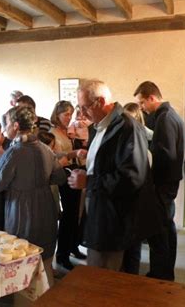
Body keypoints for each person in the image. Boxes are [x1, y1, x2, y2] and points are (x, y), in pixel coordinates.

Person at [68, 79, 164, 271]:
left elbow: (132, 177)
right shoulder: (101, 126)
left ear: (101, 102)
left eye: (84, 107)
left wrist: (88, 180)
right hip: (102, 214)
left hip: (115, 220)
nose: (81, 113)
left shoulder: (127, 127)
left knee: (105, 280)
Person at [0, 106, 66, 286]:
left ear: (16, 125)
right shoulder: (44, 148)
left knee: (21, 262)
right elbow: (60, 177)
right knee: (46, 262)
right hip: (46, 208)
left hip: (23, 210)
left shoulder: (14, 151)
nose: (4, 129)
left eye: (6, 124)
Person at [134, 81, 185, 280]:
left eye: (142, 103)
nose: (141, 107)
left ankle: (160, 274)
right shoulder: (172, 115)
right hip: (170, 182)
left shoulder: (164, 118)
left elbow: (165, 154)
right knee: (167, 228)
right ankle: (166, 271)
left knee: (159, 231)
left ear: (152, 98)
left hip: (162, 183)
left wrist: (151, 181)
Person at [50, 100, 86, 271]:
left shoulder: (68, 131)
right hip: (63, 176)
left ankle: (73, 246)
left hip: (72, 173)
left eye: (70, 114)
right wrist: (72, 154)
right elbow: (55, 157)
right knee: (68, 216)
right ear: (57, 114)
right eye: (65, 114)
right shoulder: (53, 133)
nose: (68, 117)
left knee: (75, 214)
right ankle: (62, 254)